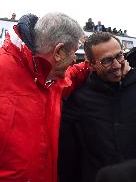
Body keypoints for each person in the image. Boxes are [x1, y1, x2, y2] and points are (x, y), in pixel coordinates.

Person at [0, 12, 90, 182]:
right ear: (59, 51)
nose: (73, 60)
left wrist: (93, 64)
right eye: (73, 53)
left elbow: (72, 74)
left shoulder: (51, 78)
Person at [59, 31, 135, 182]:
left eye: (119, 56)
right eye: (107, 61)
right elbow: (68, 159)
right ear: (91, 64)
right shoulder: (78, 101)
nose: (116, 65)